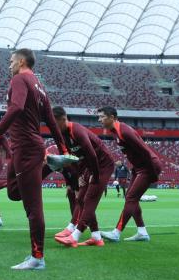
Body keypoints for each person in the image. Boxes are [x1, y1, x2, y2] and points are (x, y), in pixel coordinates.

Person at [0, 49, 67, 270]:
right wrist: (63, 148)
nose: (9, 65)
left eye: (11, 61)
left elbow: (16, 108)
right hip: (24, 148)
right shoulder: (39, 85)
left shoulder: (20, 79)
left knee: (33, 207)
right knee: (13, 192)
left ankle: (37, 258)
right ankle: (49, 164)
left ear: (21, 61)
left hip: (27, 148)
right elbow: (50, 119)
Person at [52, 107, 115, 248]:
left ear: (63, 119)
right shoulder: (63, 135)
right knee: (80, 199)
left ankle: (75, 236)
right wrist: (81, 175)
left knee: (89, 199)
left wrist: (95, 176)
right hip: (88, 165)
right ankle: (96, 237)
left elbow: (92, 154)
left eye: (54, 123)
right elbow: (73, 158)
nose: (53, 127)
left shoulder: (76, 130)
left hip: (103, 164)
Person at [97, 106, 162, 242]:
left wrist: (153, 172)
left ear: (112, 117)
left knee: (131, 198)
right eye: (99, 117)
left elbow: (145, 151)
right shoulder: (115, 131)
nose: (99, 120)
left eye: (102, 117)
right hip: (139, 168)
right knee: (131, 199)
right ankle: (142, 232)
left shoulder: (124, 131)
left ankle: (116, 233)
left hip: (148, 166)